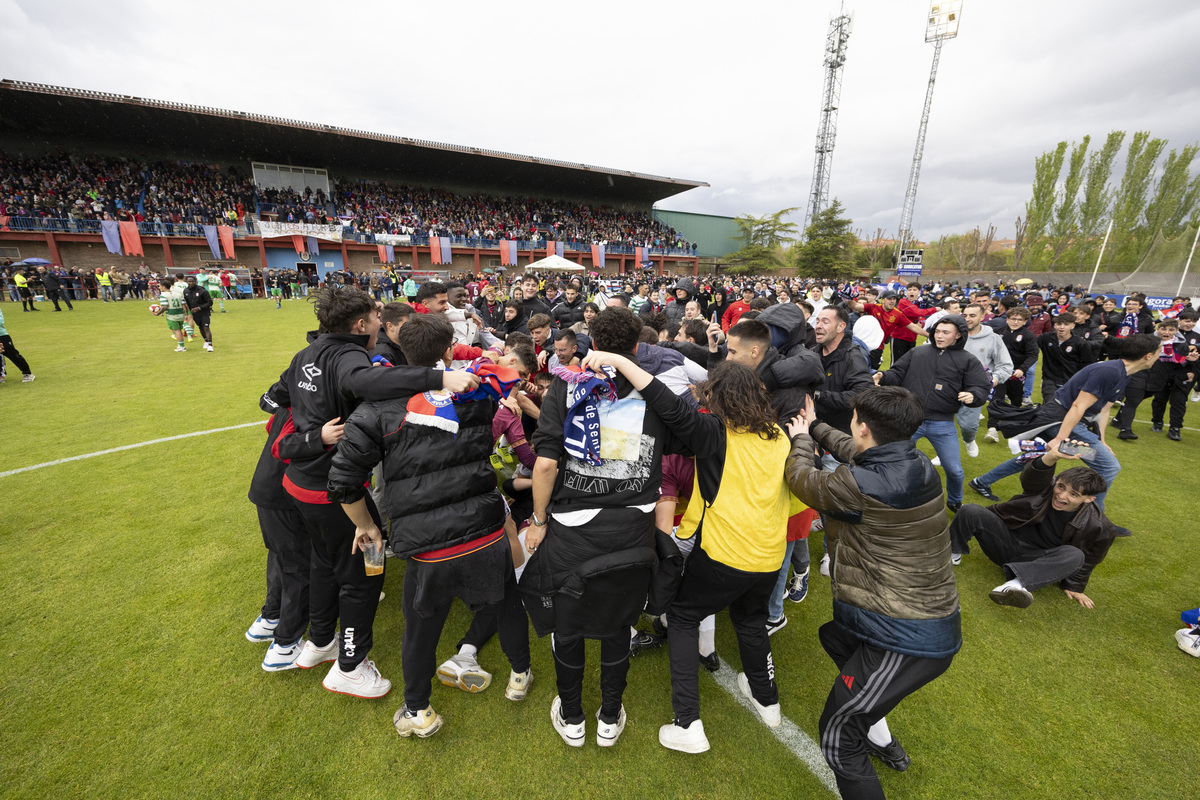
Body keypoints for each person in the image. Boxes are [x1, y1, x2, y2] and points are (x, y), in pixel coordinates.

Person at [263, 286, 480, 694]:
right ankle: (350, 665)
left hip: (299, 485)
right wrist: (441, 377)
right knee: (365, 571)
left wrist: (311, 434)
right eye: (377, 317)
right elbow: (365, 380)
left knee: (324, 564)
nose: (382, 322)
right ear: (360, 324)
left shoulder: (306, 353)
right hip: (337, 491)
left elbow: (274, 398)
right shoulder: (349, 355)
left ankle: (321, 641)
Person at [328, 313, 533, 738]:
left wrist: (365, 525)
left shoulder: (380, 408)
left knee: (423, 628)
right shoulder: (475, 395)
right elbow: (344, 478)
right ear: (446, 351)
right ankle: (519, 673)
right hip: (479, 530)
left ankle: (420, 709)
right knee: (504, 603)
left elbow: (343, 481)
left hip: (441, 541)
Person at [521, 307, 691, 749]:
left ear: (589, 343)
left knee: (569, 622)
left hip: (577, 528)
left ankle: (578, 716)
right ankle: (605, 716)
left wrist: (537, 521)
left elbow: (545, 463)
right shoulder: (649, 387)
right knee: (618, 623)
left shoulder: (568, 381)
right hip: (629, 528)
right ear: (638, 347)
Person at [785, 387, 961, 800]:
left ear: (863, 426)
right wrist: (817, 426)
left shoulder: (857, 485)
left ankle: (867, 731)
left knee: (839, 736)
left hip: (905, 636)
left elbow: (802, 480)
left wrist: (801, 440)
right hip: (916, 620)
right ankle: (879, 733)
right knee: (836, 638)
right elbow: (857, 451)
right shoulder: (916, 462)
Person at [970, 334, 1162, 510]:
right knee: (1109, 466)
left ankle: (981, 482)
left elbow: (1104, 410)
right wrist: (1061, 438)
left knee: (1036, 456)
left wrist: (1102, 440)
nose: (1160, 355)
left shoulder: (1124, 374)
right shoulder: (1109, 371)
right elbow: (1078, 406)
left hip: (1063, 420)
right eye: (1159, 351)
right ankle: (1093, 515)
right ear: (1148, 355)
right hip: (1059, 420)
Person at [951, 441, 1129, 610]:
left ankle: (1014, 586)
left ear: (1089, 499)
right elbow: (1031, 477)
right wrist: (1052, 455)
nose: (1061, 496)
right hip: (1005, 542)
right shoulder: (1045, 488)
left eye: (1073, 494)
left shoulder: (1100, 526)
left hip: (1038, 561)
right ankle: (951, 553)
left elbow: (1089, 560)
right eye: (1061, 487)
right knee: (971, 510)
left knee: (1075, 555)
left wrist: (1075, 586)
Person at [873, 316, 991, 512]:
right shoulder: (917, 352)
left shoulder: (968, 360)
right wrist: (883, 375)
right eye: (937, 331)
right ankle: (888, 496)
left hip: (942, 424)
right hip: (910, 420)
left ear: (958, 335)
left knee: (954, 470)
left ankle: (954, 501)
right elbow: (897, 373)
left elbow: (980, 387)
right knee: (892, 460)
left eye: (946, 332)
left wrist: (974, 395)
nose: (940, 336)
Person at [1112, 319, 1193, 440]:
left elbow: (1180, 365)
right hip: (1139, 374)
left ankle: (1117, 419)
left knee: (1139, 398)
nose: (1166, 332)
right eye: (1163, 329)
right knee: (1133, 400)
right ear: (1158, 329)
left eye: (1171, 329)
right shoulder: (1147, 340)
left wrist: (1190, 364)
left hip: (1158, 379)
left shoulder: (1181, 345)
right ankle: (1125, 430)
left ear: (1176, 331)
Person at [961, 303, 1014, 453]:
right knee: (940, 424)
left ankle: (969, 440)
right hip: (950, 386)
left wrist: (993, 381)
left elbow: (1005, 365)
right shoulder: (956, 335)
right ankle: (943, 453)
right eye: (965, 315)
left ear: (982, 317)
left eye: (972, 315)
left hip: (975, 390)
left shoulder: (993, 339)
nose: (967, 319)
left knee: (967, 426)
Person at [153, 276, 188, 352]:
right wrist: (186, 314)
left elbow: (165, 306)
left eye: (160, 286)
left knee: (176, 330)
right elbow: (184, 304)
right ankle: (180, 345)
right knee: (178, 330)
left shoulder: (163, 295)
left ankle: (182, 347)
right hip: (180, 313)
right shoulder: (178, 294)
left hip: (172, 315)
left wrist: (158, 313)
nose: (159, 288)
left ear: (163, 286)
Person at [0, 307, 35, 383]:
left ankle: (27, 373)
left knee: (12, 354)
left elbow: (0, 321)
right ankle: (1, 375)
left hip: (2, 335)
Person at [183, 275, 215, 352]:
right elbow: (187, 303)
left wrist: (199, 308)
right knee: (200, 327)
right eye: (189, 281)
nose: (190, 283)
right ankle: (206, 341)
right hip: (195, 313)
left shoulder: (202, 291)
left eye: (192, 281)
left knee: (206, 327)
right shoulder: (186, 291)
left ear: (196, 281)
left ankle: (210, 345)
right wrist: (187, 313)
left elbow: (210, 302)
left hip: (204, 312)